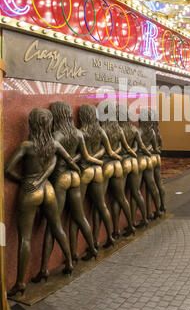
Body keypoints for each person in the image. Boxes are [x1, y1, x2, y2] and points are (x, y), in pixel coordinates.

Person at [5, 108, 79, 296]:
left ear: (32, 123)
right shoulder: (53, 144)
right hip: (49, 190)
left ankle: (20, 282)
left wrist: (24, 180)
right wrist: (75, 168)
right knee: (57, 226)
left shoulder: (27, 146)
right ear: (49, 124)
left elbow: (8, 169)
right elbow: (70, 160)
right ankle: (69, 262)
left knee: (25, 238)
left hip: (30, 191)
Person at [32, 102, 102, 283]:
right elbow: (85, 157)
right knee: (80, 217)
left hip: (60, 179)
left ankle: (45, 268)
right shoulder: (78, 133)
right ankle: (93, 248)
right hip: (76, 177)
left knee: (52, 225)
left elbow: (50, 161)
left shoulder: (56, 135)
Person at [69, 104, 121, 257]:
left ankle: (74, 253)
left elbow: (82, 155)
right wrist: (101, 159)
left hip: (85, 171)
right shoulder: (101, 131)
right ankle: (109, 236)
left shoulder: (80, 133)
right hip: (99, 171)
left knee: (76, 214)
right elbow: (109, 151)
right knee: (101, 205)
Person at [99, 111, 137, 239]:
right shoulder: (119, 130)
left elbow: (104, 150)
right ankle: (131, 225)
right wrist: (133, 155)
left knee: (100, 203)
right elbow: (124, 147)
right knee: (120, 198)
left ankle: (109, 234)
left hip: (105, 166)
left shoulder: (101, 130)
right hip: (118, 164)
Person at [118, 104, 151, 228]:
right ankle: (144, 217)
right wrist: (150, 154)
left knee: (120, 197)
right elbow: (141, 146)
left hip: (123, 163)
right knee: (136, 192)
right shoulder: (134, 129)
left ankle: (129, 224)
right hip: (135, 162)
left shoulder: (118, 129)